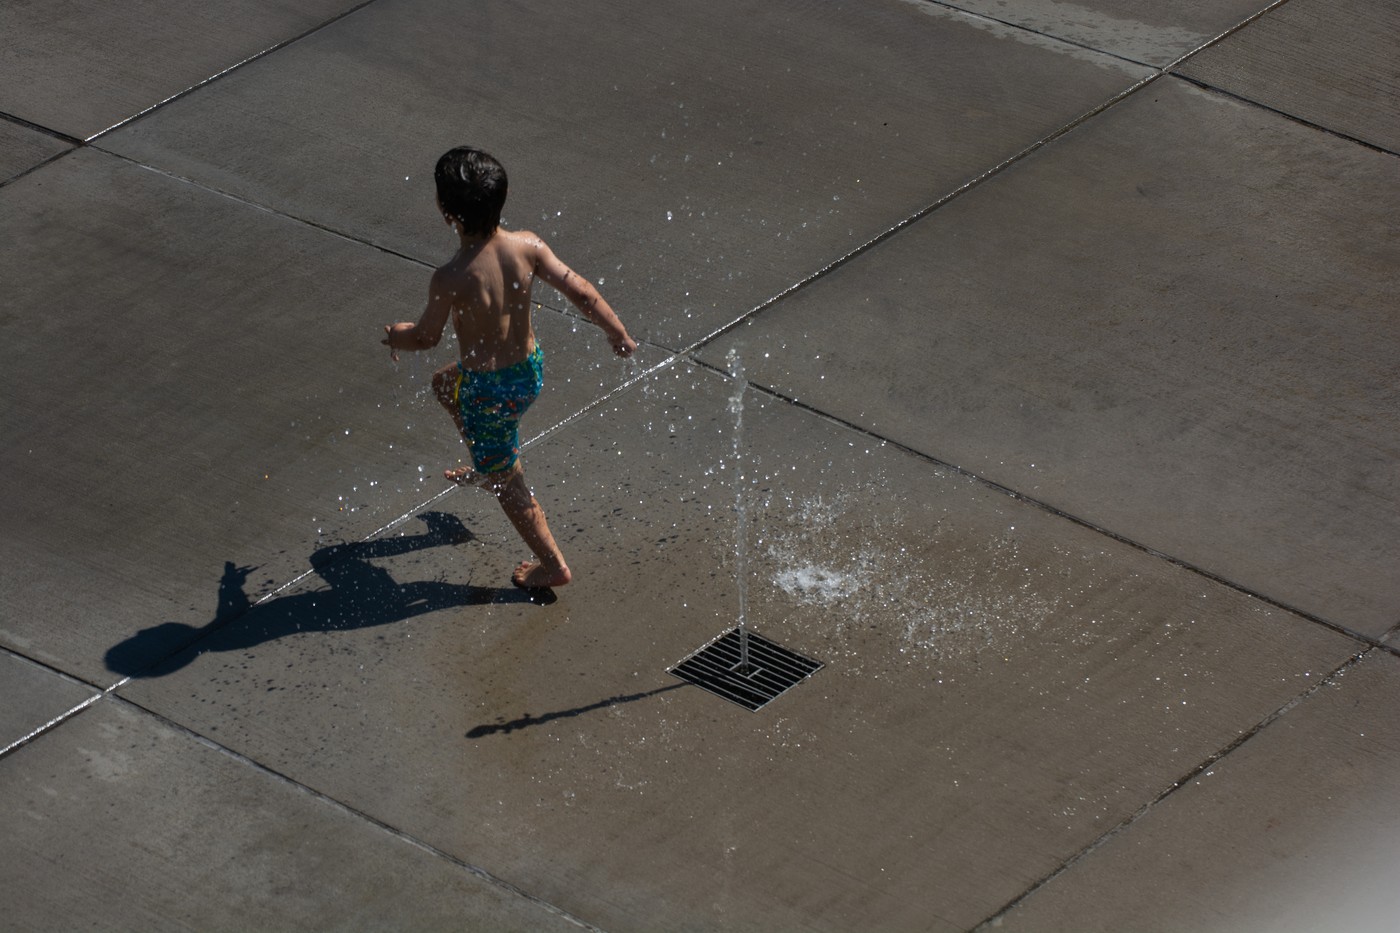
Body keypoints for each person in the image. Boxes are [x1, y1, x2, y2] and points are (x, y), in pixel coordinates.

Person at [383, 146, 636, 589]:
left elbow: (426, 337)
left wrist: (396, 334)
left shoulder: (451, 277)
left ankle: (551, 565)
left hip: (487, 392)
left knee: (510, 486)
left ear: (446, 213)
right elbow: (581, 291)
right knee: (445, 384)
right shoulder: (528, 245)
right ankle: (489, 460)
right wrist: (616, 332)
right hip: (527, 373)